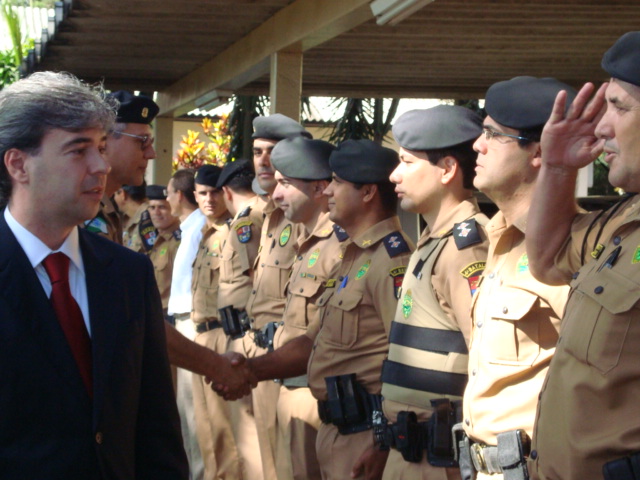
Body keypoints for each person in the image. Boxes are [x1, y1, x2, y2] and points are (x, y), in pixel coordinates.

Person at [0, 71, 188, 478]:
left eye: (102, 147)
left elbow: (155, 428)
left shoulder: (128, 274)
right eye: (78, 150)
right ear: (18, 164)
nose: (101, 165)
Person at [525, 32, 640, 480]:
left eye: (619, 107)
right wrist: (557, 169)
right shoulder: (627, 217)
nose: (601, 127)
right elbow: (549, 258)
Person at [457, 77, 575, 480]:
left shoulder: (571, 248)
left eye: (494, 134)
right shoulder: (499, 236)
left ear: (539, 152)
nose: (478, 144)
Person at [380, 106, 489, 480]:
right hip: (411, 452)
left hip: (438, 459)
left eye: (407, 162)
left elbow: (485, 355)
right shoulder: (433, 241)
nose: (394, 175)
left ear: (447, 169)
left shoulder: (465, 247)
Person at [307, 139, 414, 480]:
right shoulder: (353, 255)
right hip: (337, 431)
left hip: (365, 436)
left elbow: (405, 357)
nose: (328, 191)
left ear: (368, 192)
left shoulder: (392, 261)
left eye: (337, 182)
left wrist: (384, 441)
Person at [241, 114, 312, 479]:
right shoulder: (268, 215)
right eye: (257, 152)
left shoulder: (303, 215)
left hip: (287, 359)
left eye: (273, 152)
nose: (264, 160)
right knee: (266, 464)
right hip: (261, 351)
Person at [188, 165, 243, 480]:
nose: (209, 200)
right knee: (206, 430)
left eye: (214, 193)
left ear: (225, 193)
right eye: (202, 194)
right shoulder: (204, 234)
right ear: (194, 196)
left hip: (223, 334)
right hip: (201, 334)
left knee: (226, 431)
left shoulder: (234, 233)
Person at [165, 167, 208, 479]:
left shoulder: (198, 229)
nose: (166, 199)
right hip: (182, 322)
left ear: (179, 196)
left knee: (194, 412)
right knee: (184, 408)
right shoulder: (189, 229)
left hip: (192, 323)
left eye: (168, 193)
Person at [84, 90, 158, 243]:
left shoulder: (105, 206)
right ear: (104, 141)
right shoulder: (81, 208)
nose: (151, 154)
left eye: (150, 142)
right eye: (142, 141)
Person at [146, 184, 181, 318]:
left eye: (162, 207)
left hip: (171, 315)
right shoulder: (158, 240)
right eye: (152, 207)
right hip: (156, 313)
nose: (156, 212)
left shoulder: (179, 241)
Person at [114, 183, 156, 253]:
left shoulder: (149, 218)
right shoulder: (126, 219)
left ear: (123, 194)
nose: (114, 198)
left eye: (115, 194)